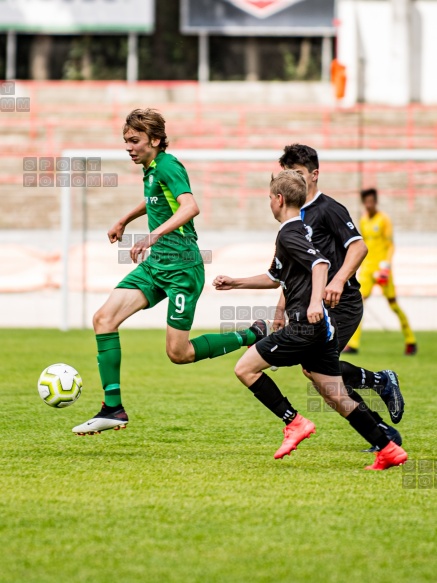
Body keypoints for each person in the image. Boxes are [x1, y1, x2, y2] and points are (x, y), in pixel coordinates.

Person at [72, 108, 269, 435]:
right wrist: (125, 220)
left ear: (156, 139)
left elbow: (191, 206)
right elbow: (152, 199)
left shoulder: (169, 165)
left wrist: (152, 235)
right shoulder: (150, 169)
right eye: (126, 141)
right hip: (156, 266)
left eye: (134, 141)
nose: (128, 147)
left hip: (181, 267)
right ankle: (113, 408)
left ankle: (253, 334)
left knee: (179, 353)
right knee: (103, 319)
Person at [213, 170, 408, 470]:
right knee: (336, 394)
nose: (269, 203)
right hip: (321, 329)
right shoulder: (297, 230)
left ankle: (294, 422)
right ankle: (388, 448)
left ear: (278, 200)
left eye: (269, 198)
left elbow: (320, 264)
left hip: (305, 327)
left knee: (245, 368)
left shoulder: (289, 233)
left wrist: (315, 301)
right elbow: (274, 276)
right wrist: (235, 283)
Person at [273, 144, 405, 453]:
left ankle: (381, 416)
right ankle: (380, 411)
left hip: (342, 303)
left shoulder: (329, 209)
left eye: (300, 174)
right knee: (316, 372)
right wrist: (280, 310)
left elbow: (359, 248)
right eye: (288, 174)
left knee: (318, 370)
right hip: (316, 306)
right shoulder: (293, 217)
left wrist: (338, 279)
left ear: (315, 174)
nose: (294, 179)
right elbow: (293, 270)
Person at [344, 188, 417, 356]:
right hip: (368, 269)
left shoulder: (384, 220)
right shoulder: (363, 220)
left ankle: (410, 339)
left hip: (382, 269)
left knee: (393, 304)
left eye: (371, 201)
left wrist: (386, 265)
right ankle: (353, 344)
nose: (369, 205)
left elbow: (390, 244)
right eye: (366, 202)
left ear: (375, 201)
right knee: (359, 304)